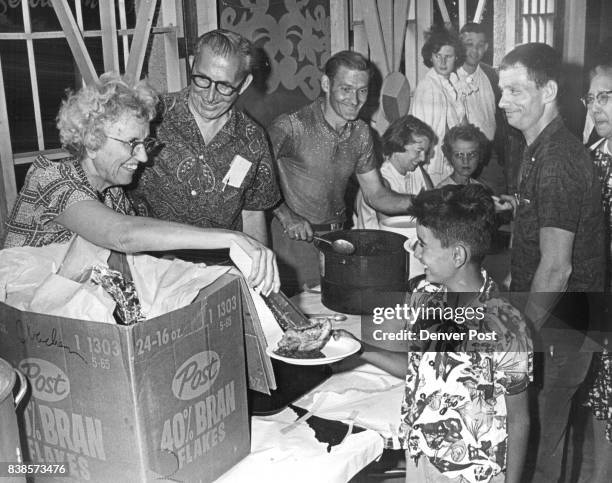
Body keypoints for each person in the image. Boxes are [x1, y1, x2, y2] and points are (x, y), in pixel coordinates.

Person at [3, 73, 280, 294]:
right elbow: (122, 234)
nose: (144, 156)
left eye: (145, 142)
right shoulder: (51, 180)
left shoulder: (114, 196)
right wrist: (231, 238)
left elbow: (141, 264)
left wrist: (218, 277)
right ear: (91, 141)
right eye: (132, 144)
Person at [340, 185, 532, 483]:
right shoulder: (423, 296)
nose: (415, 251)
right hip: (420, 457)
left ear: (457, 255)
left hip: (473, 473)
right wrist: (361, 350)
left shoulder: (507, 326)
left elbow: (519, 418)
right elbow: (418, 370)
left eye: (422, 244)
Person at [497, 43, 605, 482]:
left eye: (516, 91)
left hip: (561, 327)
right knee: (536, 440)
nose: (503, 102)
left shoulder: (558, 158)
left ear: (549, 91)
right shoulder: (539, 148)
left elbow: (557, 268)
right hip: (554, 319)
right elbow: (531, 246)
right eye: (502, 91)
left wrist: (522, 336)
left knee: (538, 444)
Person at [269, 51, 419, 292]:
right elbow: (251, 175)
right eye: (346, 89)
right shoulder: (292, 126)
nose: (355, 99)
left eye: (362, 90)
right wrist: (286, 215)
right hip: (294, 242)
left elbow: (376, 195)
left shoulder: (361, 133)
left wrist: (426, 202)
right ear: (326, 84)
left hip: (338, 239)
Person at [128, 29, 280, 245]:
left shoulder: (253, 139)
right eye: (202, 79)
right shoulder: (151, 116)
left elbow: (253, 213)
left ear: (244, 84)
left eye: (225, 86)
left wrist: (257, 270)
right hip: (151, 263)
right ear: (192, 65)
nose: (210, 96)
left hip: (220, 268)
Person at [580, 51, 612, 483]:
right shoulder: (591, 158)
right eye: (591, 99)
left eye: (607, 96)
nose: (597, 106)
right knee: (601, 400)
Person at [353, 115, 436, 229]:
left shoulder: (416, 170)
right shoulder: (380, 179)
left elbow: (434, 209)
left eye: (425, 153)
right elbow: (391, 229)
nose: (423, 158)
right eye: (418, 151)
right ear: (399, 145)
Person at [410, 27, 469, 185]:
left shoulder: (453, 83)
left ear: (456, 57)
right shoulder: (428, 88)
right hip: (433, 164)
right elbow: (420, 136)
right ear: (431, 57)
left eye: (448, 56)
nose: (442, 62)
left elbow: (462, 125)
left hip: (451, 160)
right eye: (438, 56)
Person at [436, 123, 489, 188]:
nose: (466, 161)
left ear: (479, 155)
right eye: (459, 155)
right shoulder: (441, 192)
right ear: (449, 156)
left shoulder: (481, 188)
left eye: (472, 154)